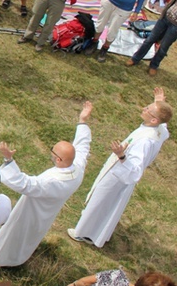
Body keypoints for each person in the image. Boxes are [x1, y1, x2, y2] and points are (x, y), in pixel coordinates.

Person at [0, 102, 93, 268]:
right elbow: (83, 144)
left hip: (32, 210)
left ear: (59, 159)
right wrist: (82, 121)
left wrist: (8, 160)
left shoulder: (53, 182)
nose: (50, 153)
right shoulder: (77, 167)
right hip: (48, 211)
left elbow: (26, 184)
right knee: (32, 235)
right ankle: (18, 257)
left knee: (16, 233)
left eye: (53, 151)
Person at [69, 87, 172, 247]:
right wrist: (158, 101)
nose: (144, 109)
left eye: (148, 109)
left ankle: (84, 232)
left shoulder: (146, 141)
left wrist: (121, 155)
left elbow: (136, 169)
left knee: (101, 200)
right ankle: (93, 227)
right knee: (105, 203)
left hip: (120, 175)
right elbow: (163, 123)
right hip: (120, 171)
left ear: (154, 120)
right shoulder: (158, 129)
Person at [127, 0, 177, 75]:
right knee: (150, 39)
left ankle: (154, 65)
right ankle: (135, 58)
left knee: (164, 47)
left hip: (175, 27)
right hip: (165, 18)